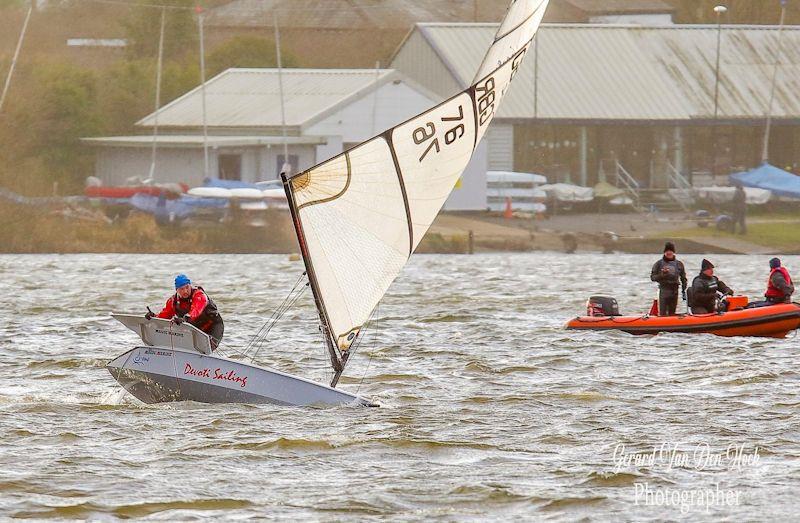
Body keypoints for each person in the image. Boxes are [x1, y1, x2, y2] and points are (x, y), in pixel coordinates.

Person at [145, 274, 224, 349]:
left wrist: (185, 319)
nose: (185, 291)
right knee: (190, 348)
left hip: (213, 326)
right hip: (196, 328)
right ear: (177, 290)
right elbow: (164, 316)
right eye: (182, 289)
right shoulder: (173, 301)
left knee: (207, 348)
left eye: (187, 287)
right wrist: (153, 317)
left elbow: (196, 310)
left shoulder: (199, 295)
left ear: (190, 286)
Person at [650, 241, 687, 316]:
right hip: (664, 290)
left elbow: (683, 278)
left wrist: (683, 291)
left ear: (673, 252)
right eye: (667, 251)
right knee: (663, 313)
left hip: (675, 290)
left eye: (670, 251)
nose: (669, 253)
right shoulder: (658, 264)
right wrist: (662, 275)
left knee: (672, 313)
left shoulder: (679, 264)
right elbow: (653, 277)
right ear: (664, 252)